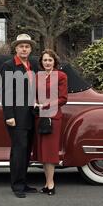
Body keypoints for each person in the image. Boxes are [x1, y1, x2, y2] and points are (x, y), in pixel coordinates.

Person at [0, 34, 39, 198]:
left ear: (30, 49)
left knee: (27, 150)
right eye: (21, 46)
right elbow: (6, 92)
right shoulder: (9, 66)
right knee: (19, 150)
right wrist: (9, 115)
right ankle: (17, 186)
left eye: (27, 46)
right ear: (16, 48)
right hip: (16, 115)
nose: (24, 49)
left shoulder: (32, 65)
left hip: (30, 114)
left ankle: (23, 183)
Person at [33, 49, 68, 196]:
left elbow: (63, 98)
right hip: (39, 117)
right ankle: (47, 183)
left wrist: (45, 105)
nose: (47, 62)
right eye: (45, 60)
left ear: (55, 62)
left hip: (53, 117)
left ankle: (51, 183)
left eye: (50, 60)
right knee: (42, 152)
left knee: (50, 152)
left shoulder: (60, 76)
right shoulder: (38, 76)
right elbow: (33, 94)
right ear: (41, 62)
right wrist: (35, 102)